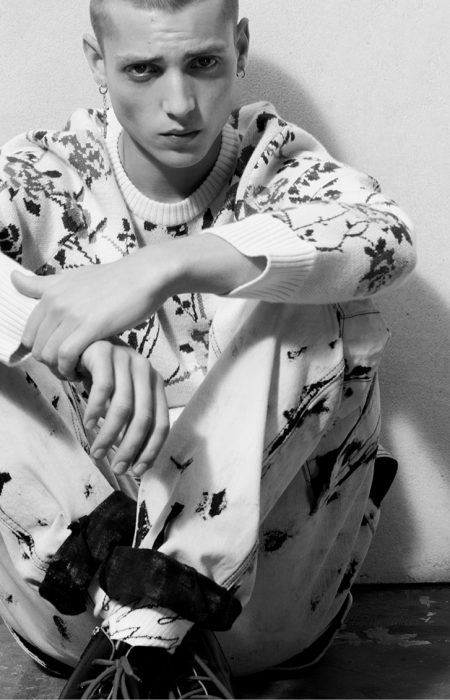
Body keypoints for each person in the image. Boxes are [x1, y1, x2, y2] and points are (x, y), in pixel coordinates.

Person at [0, 0, 416, 697]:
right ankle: (142, 635)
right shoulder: (44, 174)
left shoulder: (276, 165)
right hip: (72, 609)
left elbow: (387, 238)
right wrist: (71, 342)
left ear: (239, 48)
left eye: (202, 63)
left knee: (314, 288)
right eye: (143, 70)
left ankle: (151, 627)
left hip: (261, 616)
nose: (181, 104)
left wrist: (164, 266)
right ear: (98, 63)